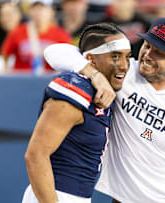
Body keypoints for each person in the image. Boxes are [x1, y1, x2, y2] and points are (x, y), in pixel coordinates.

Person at [44, 17, 165, 203]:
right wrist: (95, 75)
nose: (147, 55)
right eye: (147, 45)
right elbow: (55, 52)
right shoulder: (122, 72)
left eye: (159, 52)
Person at [23, 22, 131, 203]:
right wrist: (94, 74)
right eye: (115, 56)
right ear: (90, 59)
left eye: (127, 57)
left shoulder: (107, 86)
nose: (124, 65)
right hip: (54, 195)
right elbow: (35, 156)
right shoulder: (76, 88)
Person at [1, 0, 72, 73]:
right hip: (23, 80)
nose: (38, 13)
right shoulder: (17, 32)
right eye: (34, 8)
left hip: (51, 80)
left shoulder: (61, 34)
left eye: (42, 8)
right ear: (29, 11)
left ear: (51, 11)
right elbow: (5, 55)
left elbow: (70, 60)